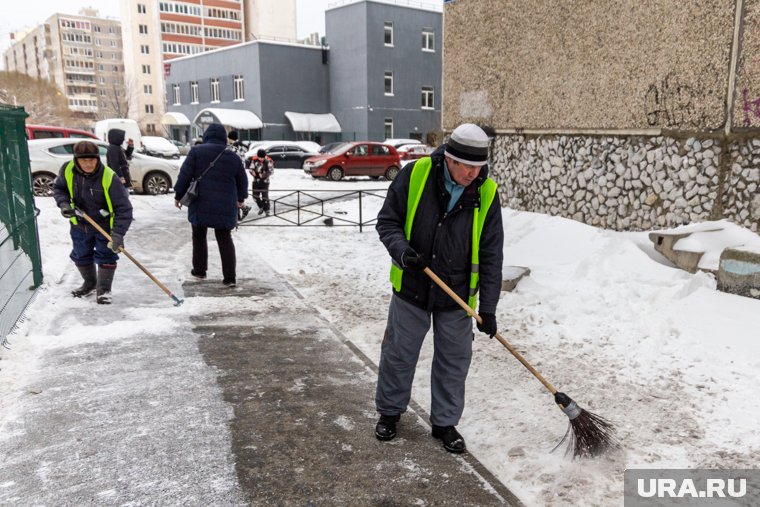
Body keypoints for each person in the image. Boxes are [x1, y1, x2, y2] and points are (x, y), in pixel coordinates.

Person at [374, 123, 504, 453]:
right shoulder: (415, 174)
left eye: (479, 167)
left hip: (457, 296)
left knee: (453, 362)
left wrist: (487, 307)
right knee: (398, 354)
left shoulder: (486, 192)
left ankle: (445, 423)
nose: (474, 174)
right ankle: (390, 413)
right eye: (467, 166)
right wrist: (402, 251)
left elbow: (491, 253)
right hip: (413, 285)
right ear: (449, 158)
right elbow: (387, 221)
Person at [52, 140, 134, 304]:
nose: (88, 164)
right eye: (84, 160)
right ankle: (90, 283)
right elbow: (59, 189)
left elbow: (124, 208)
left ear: (98, 159)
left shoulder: (109, 177)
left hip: (104, 225)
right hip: (80, 224)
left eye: (92, 160)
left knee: (106, 255)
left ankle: (104, 290)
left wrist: (118, 234)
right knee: (81, 255)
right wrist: (64, 204)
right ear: (76, 160)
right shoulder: (68, 170)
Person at [174, 123, 248, 287]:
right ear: (223, 138)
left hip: (200, 202)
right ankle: (229, 277)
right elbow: (242, 180)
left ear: (206, 136)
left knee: (199, 235)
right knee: (224, 238)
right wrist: (241, 198)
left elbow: (184, 175)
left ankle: (199, 271)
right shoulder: (232, 156)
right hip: (225, 204)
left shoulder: (196, 152)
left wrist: (179, 195)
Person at [248, 148, 274, 216]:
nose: (261, 159)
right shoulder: (254, 161)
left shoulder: (268, 161)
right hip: (256, 181)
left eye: (263, 157)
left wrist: (264, 175)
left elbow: (271, 171)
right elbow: (251, 168)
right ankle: (261, 207)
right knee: (255, 196)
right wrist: (252, 172)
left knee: (265, 196)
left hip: (265, 182)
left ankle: (267, 210)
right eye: (260, 157)